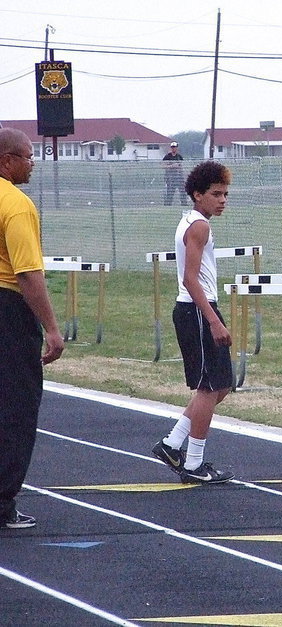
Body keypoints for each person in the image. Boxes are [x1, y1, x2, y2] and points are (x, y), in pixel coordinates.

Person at [151, 161, 234, 484]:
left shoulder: (196, 222)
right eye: (216, 194)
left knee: (221, 385)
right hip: (196, 310)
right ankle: (194, 463)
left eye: (226, 194)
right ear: (198, 195)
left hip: (200, 309)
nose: (223, 200)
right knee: (208, 388)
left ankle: (172, 444)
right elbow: (189, 279)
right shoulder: (198, 226)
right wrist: (213, 320)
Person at [0, 128, 64, 529]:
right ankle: (3, 503)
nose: (32, 162)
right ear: (7, 160)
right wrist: (52, 329)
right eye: (26, 156)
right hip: (8, 310)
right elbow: (28, 274)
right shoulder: (17, 205)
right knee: (15, 407)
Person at [163, 141, 187, 207]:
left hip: (179, 177)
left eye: (175, 147)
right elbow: (163, 166)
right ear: (171, 148)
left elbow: (181, 166)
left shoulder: (179, 157)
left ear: (177, 148)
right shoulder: (167, 156)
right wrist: (172, 165)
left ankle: (184, 205)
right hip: (171, 178)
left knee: (182, 192)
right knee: (170, 192)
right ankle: (168, 205)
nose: (174, 148)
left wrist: (183, 176)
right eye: (172, 147)